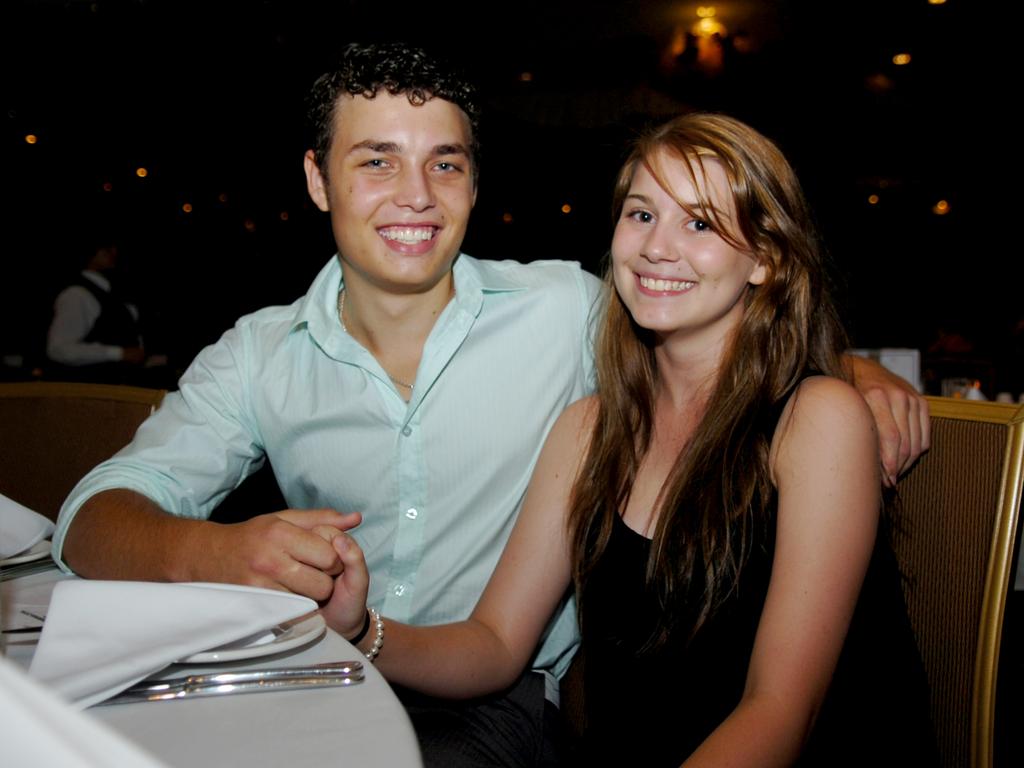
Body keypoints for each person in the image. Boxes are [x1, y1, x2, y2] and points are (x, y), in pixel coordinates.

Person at [52, 44, 928, 766]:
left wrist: (853, 368)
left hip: (500, 724)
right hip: (329, 672)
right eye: (377, 161)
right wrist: (246, 566)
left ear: (474, 182)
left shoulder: (561, 312)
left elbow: (731, 333)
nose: (416, 196)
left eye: (445, 163)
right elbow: (88, 517)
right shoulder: (265, 354)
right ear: (317, 180)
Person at [322, 112, 937, 766]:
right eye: (642, 214)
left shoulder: (815, 421)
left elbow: (780, 709)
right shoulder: (588, 431)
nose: (656, 248)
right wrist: (362, 629)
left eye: (698, 223)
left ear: (766, 259)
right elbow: (497, 645)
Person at [46, 241, 147, 382]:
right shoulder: (77, 294)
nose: (114, 253)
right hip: (90, 388)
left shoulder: (115, 293)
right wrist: (119, 353)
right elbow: (59, 349)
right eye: (106, 249)